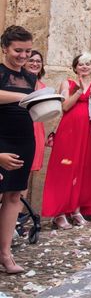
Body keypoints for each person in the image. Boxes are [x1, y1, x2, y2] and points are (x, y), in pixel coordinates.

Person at [41, 53, 91, 229]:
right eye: (81, 64)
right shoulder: (67, 83)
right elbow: (65, 106)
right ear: (75, 67)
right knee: (64, 169)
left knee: (82, 169)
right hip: (69, 131)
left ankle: (76, 210)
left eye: (87, 64)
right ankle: (59, 213)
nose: (84, 67)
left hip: (88, 132)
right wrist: (78, 91)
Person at [0, 25, 35, 273]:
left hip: (24, 140)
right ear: (4, 49)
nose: (23, 56)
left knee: (14, 196)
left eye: (28, 51)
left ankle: (5, 253)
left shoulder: (30, 77)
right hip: (1, 140)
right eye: (18, 50)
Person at [24, 50, 46, 174]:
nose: (35, 63)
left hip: (37, 129)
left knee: (27, 171)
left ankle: (23, 195)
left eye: (38, 61)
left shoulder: (43, 86)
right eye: (31, 60)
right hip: (19, 128)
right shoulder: (17, 83)